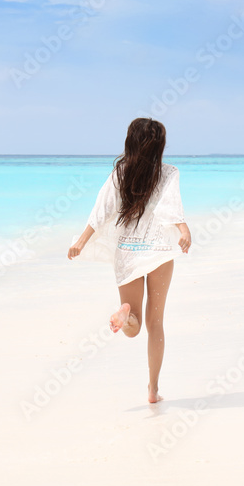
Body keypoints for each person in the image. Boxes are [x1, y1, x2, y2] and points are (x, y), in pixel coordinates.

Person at [68, 118, 191, 403]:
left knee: (133, 326)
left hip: (128, 252)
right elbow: (172, 208)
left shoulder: (120, 173)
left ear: (130, 142)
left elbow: (102, 211)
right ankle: (153, 389)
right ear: (159, 146)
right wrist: (184, 231)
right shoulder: (169, 172)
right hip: (159, 252)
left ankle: (126, 313)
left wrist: (81, 241)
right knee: (155, 323)